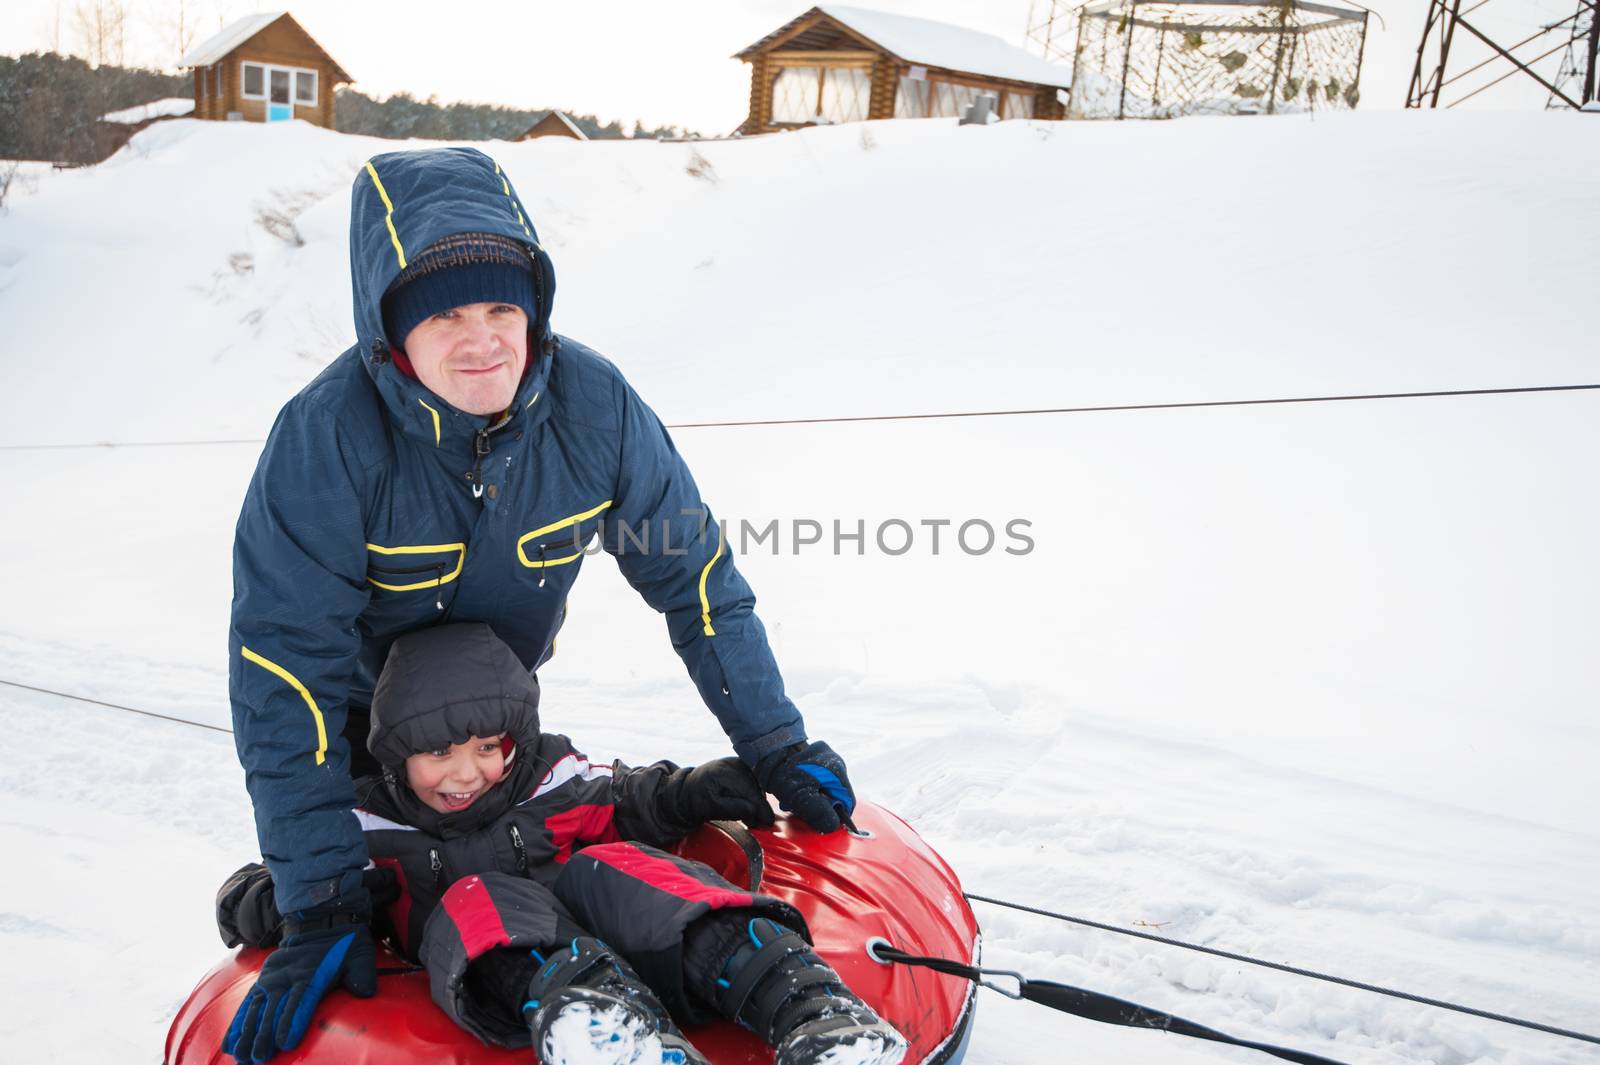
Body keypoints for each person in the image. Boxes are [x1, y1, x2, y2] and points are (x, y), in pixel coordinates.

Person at [227, 147, 859, 1060]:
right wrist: (320, 893)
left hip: (498, 725)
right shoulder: (326, 438)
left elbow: (699, 581)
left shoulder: (592, 407)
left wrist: (775, 742)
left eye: (501, 307)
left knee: (569, 861)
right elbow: (284, 669)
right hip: (363, 743)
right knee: (455, 897)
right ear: (391, 330)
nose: (482, 338)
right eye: (445, 312)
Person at [217, 624, 905, 1065]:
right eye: (436, 752)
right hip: (514, 971)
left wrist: (695, 789)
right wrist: (295, 900)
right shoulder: (363, 826)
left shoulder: (551, 777)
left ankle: (812, 1008)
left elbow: (632, 796)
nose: (466, 772)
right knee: (477, 896)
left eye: (489, 746)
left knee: (618, 866)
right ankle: (610, 1036)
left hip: (623, 932)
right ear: (395, 755)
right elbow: (250, 887)